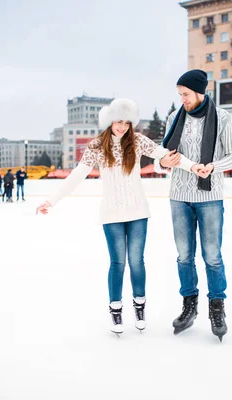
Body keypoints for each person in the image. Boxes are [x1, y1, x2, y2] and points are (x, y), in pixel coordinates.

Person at [36, 98, 201, 335]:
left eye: (126, 122)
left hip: (137, 212)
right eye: (118, 121)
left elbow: (166, 155)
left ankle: (139, 306)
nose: (122, 126)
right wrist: (52, 200)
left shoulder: (136, 141)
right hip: (112, 214)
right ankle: (115, 309)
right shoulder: (96, 146)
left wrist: (194, 167)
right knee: (118, 263)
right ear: (109, 121)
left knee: (136, 261)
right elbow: (77, 175)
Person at [158, 69, 232, 341]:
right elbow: (163, 156)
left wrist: (213, 166)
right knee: (184, 256)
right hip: (179, 196)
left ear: (199, 92)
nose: (182, 99)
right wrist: (162, 162)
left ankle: (217, 308)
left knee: (212, 257)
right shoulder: (174, 118)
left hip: (209, 197)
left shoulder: (223, 118)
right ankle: (189, 305)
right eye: (179, 94)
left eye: (185, 94)